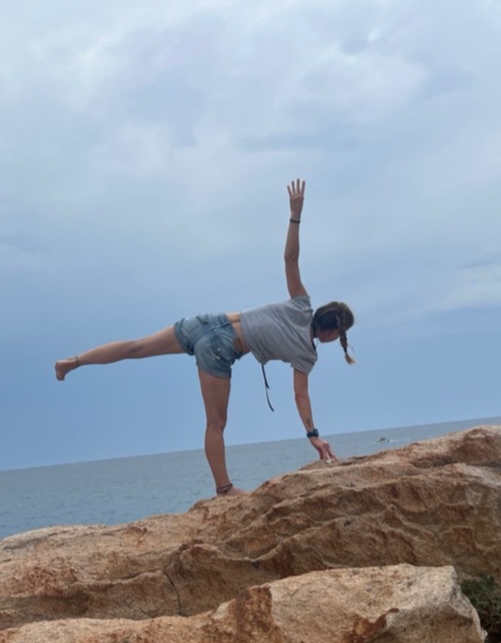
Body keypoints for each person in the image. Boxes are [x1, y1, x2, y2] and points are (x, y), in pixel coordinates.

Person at [54, 179, 355, 497]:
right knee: (216, 422)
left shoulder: (301, 304)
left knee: (136, 347)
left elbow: (290, 260)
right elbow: (300, 396)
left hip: (207, 322)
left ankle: (72, 362)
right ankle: (224, 489)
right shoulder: (306, 353)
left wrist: (295, 216)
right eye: (339, 336)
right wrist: (313, 435)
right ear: (334, 331)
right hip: (221, 347)